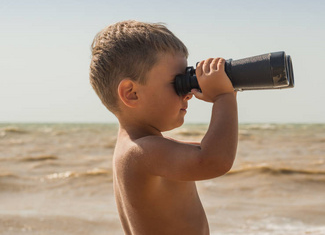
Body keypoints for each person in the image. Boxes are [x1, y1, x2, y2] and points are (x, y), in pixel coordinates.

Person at [89, 20, 238, 235]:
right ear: (131, 93)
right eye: (178, 83)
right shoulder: (142, 151)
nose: (187, 93)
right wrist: (224, 96)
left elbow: (209, 151)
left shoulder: (139, 148)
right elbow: (214, 160)